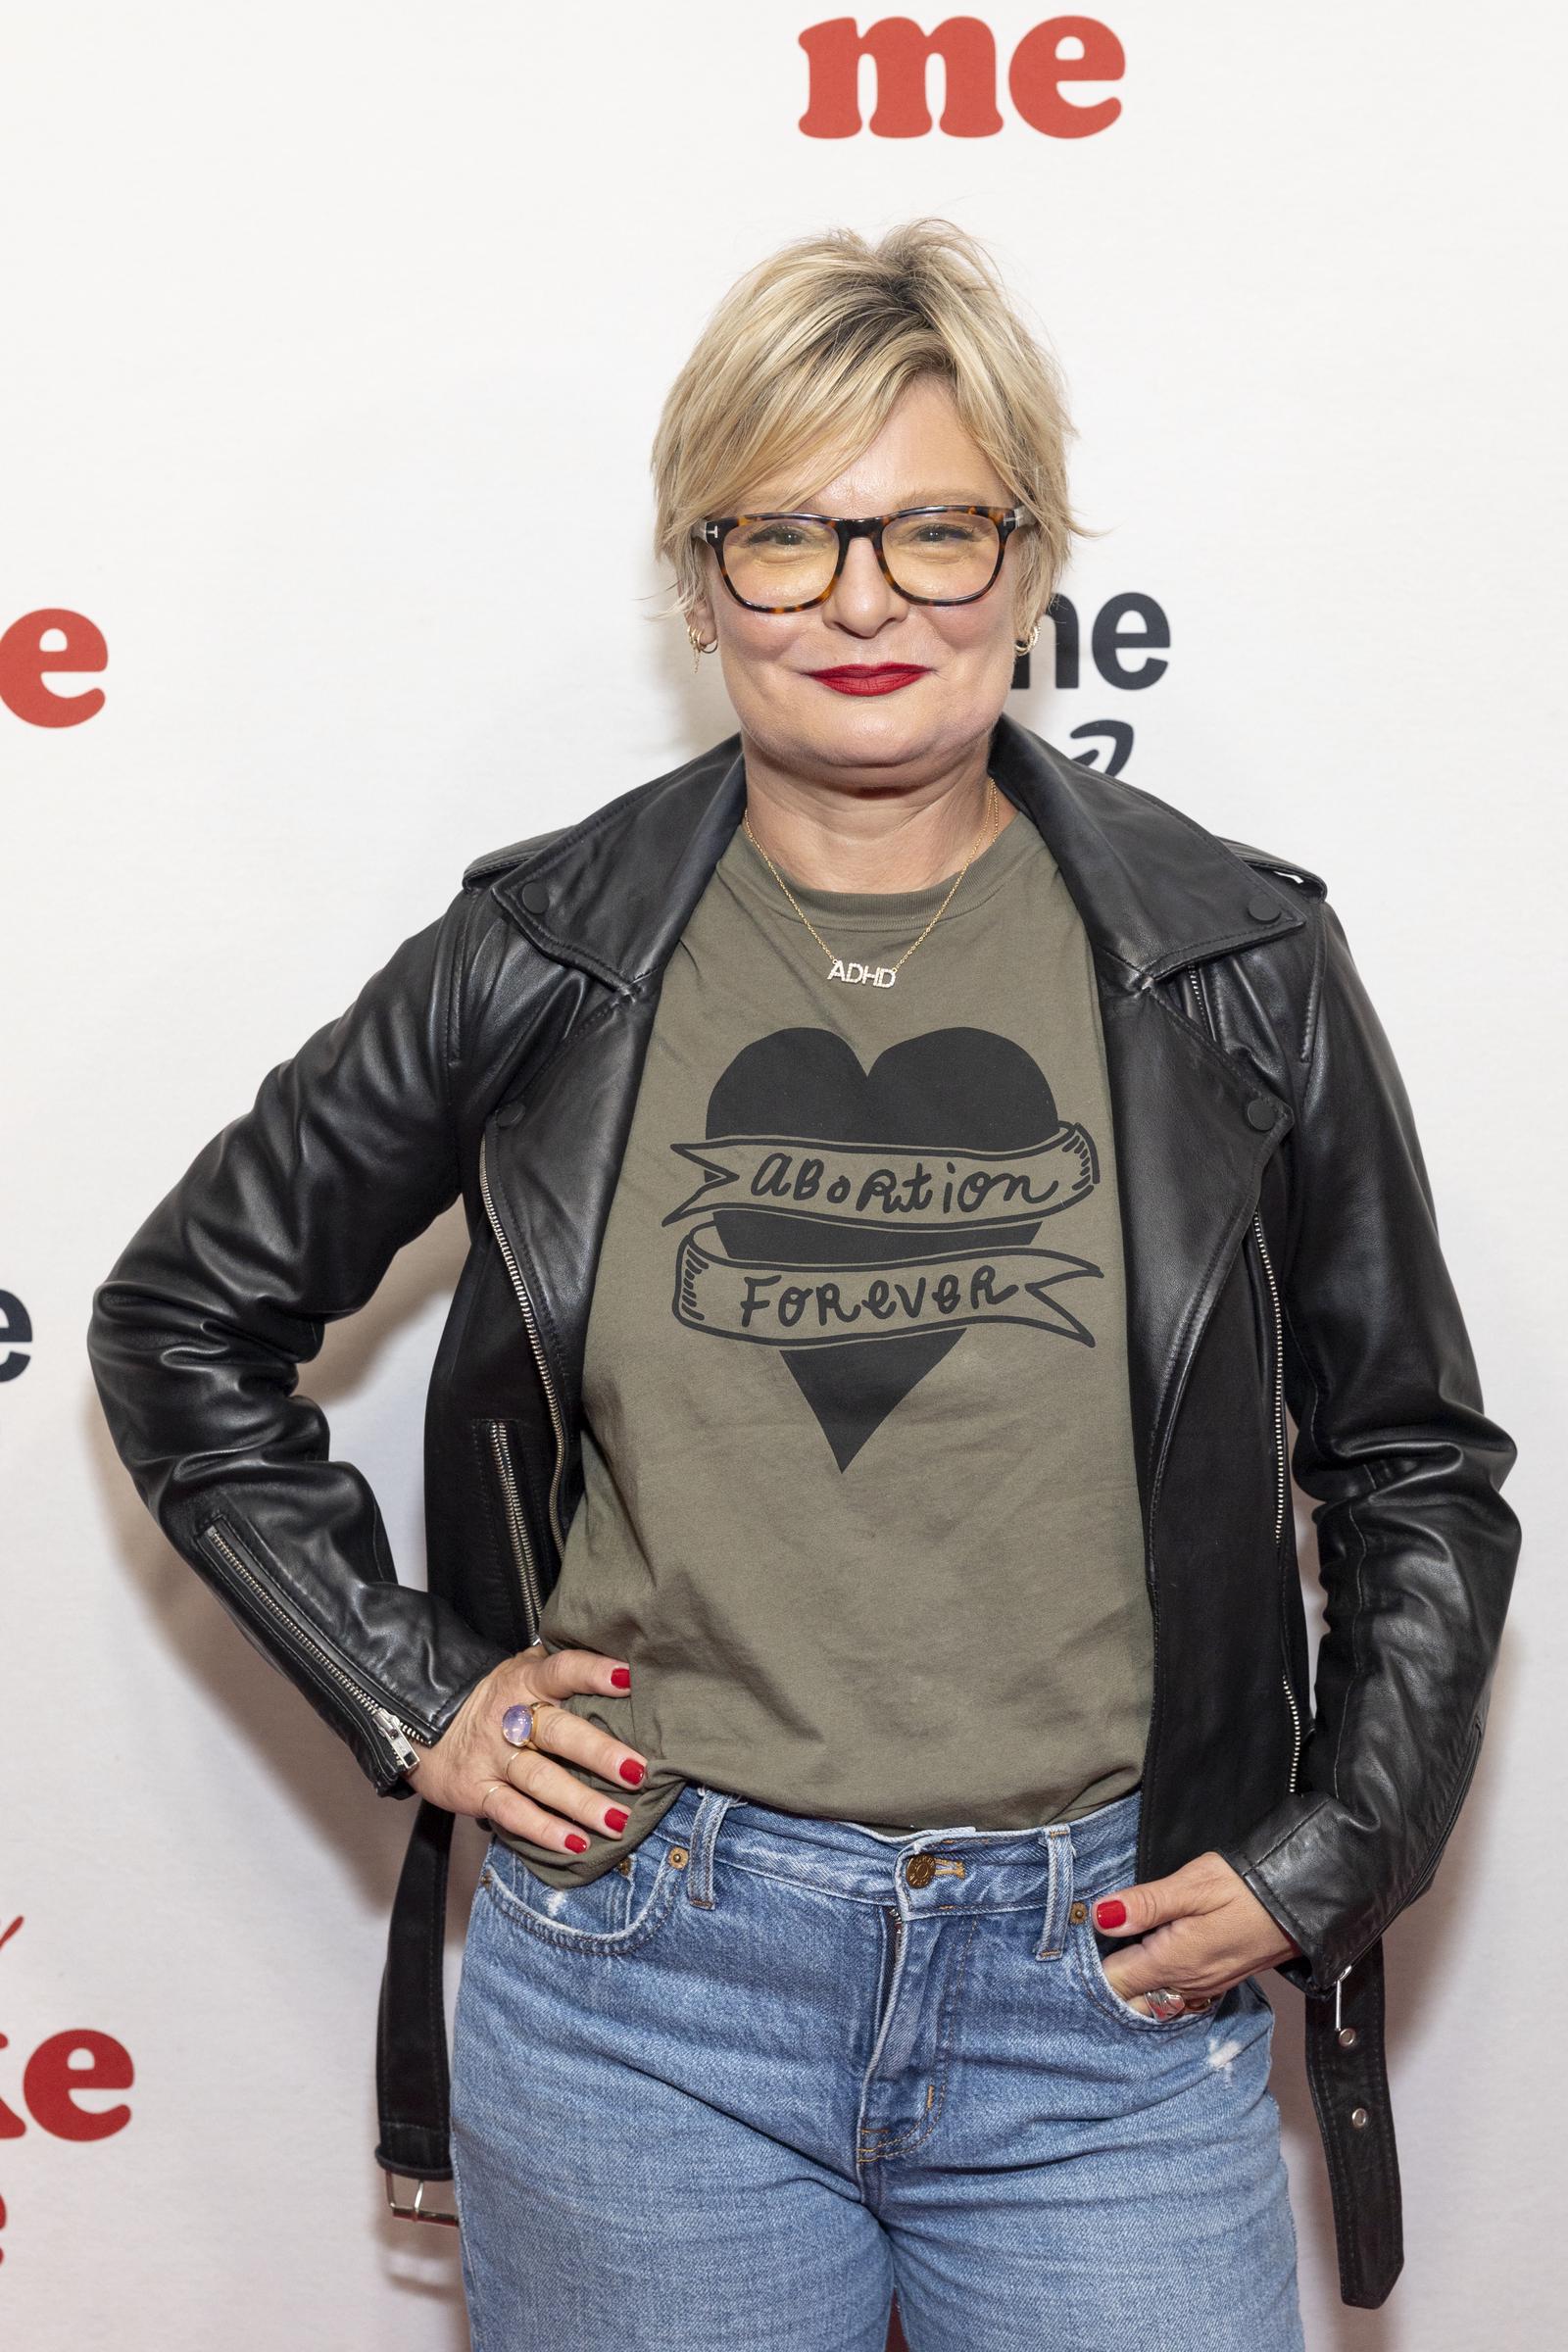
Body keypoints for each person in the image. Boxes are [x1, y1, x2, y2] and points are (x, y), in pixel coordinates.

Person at [86, 220, 1520, 2349]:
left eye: (932, 529)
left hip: (1103, 1998)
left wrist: (1332, 1851)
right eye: (787, 536)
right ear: (696, 580)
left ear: (1028, 566)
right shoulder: (542, 953)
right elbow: (180, 1318)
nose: (862, 599)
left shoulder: (1236, 970)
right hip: (649, 1987)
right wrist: (419, 1693)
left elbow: (1412, 1464)